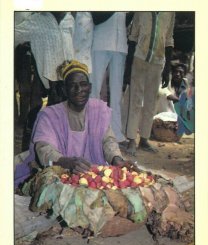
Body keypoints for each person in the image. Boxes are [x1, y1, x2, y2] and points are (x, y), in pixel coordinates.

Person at [15, 60, 129, 188]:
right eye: (72, 85)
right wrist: (66, 162)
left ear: (90, 87)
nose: (79, 89)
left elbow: (108, 140)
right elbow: (44, 149)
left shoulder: (98, 111)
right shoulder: (50, 115)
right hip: (58, 171)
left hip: (90, 175)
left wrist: (116, 158)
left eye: (83, 84)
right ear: (64, 90)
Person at [123, 12, 175, 154]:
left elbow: (169, 40)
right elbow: (133, 38)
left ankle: (144, 139)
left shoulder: (170, 12)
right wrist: (128, 69)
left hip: (158, 61)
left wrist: (167, 69)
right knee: (135, 100)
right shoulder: (142, 10)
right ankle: (132, 139)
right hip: (139, 58)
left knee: (151, 102)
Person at [15, 11, 75, 106]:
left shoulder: (69, 18)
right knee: (55, 110)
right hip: (51, 79)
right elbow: (14, 34)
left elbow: (72, 40)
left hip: (70, 73)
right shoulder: (37, 20)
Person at [90, 12, 133, 144]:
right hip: (100, 42)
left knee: (117, 93)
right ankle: (93, 131)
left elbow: (124, 22)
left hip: (119, 45)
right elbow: (96, 18)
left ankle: (116, 134)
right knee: (94, 89)